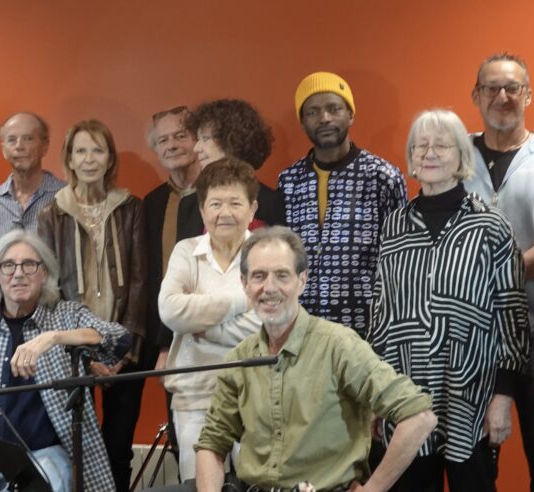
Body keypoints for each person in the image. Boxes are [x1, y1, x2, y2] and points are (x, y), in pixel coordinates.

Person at [186, 226, 436, 491]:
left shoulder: (338, 345)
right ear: (244, 284)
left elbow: (420, 418)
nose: (269, 287)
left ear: (302, 280)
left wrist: (373, 489)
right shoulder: (239, 359)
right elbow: (211, 444)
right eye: (259, 276)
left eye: (282, 275)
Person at [367, 109, 529, 491]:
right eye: (420, 145)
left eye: (442, 145)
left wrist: (502, 398)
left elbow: (513, 317)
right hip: (403, 397)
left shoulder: (490, 225)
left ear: (461, 156)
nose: (429, 153)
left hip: (469, 397)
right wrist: (374, 397)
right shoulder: (394, 226)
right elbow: (380, 314)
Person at [0, 230, 126, 492]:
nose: (18, 274)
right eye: (8, 265)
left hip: (58, 468)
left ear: (45, 274)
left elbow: (119, 339)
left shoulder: (65, 315)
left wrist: (53, 337)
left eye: (29, 264)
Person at [463, 53, 534, 492]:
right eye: (492, 88)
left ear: (527, 95)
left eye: (512, 88)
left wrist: (502, 277)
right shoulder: (456, 156)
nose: (502, 97)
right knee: (472, 466)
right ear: (476, 96)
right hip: (473, 338)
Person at [37, 119, 146, 490]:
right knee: (74, 447)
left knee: (118, 448)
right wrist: (84, 355)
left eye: (97, 150)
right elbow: (49, 290)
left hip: (123, 351)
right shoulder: (51, 213)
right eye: (80, 151)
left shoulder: (131, 207)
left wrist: (122, 350)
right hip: (73, 350)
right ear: (68, 158)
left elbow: (140, 282)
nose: (89, 159)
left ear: (110, 158)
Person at [278, 71, 407, 333]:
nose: (324, 118)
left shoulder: (382, 177)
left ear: (350, 115)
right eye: (312, 112)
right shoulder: (289, 181)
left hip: (366, 329)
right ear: (302, 123)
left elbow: (401, 260)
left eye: (334, 109)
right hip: (301, 328)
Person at [158, 158, 262, 482]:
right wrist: (240, 302)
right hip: (193, 394)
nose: (224, 213)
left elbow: (268, 323)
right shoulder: (185, 252)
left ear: (252, 209)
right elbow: (171, 311)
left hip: (255, 392)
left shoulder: (266, 254)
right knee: (198, 484)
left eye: (235, 203)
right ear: (202, 210)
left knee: (255, 484)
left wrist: (204, 328)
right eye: (215, 204)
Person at [142, 105, 201, 463]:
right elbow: (153, 282)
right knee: (184, 441)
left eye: (180, 135)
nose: (172, 145)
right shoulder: (152, 204)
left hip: (220, 336)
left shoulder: (219, 194)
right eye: (163, 140)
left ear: (198, 139)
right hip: (172, 339)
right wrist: (163, 345)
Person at [176, 99, 286, 241]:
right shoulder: (188, 205)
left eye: (205, 138)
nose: (197, 148)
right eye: (197, 139)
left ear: (233, 140)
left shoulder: (271, 202)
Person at [0, 112, 66, 239]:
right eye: (12, 140)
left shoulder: (65, 196)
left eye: (28, 138)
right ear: (4, 150)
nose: (19, 146)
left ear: (44, 146)